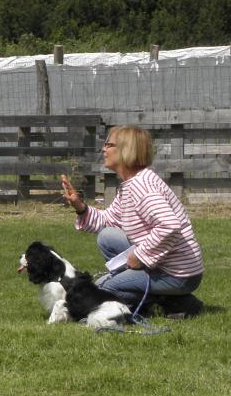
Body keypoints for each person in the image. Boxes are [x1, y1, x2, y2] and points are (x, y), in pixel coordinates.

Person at [58, 124, 205, 318]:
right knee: (107, 237)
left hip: (178, 275)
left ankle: (174, 304)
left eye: (109, 144)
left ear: (126, 150)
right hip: (163, 264)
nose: (103, 149)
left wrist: (141, 256)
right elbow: (107, 221)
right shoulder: (130, 185)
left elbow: (170, 225)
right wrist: (80, 207)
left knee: (105, 287)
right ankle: (169, 302)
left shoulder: (142, 187)